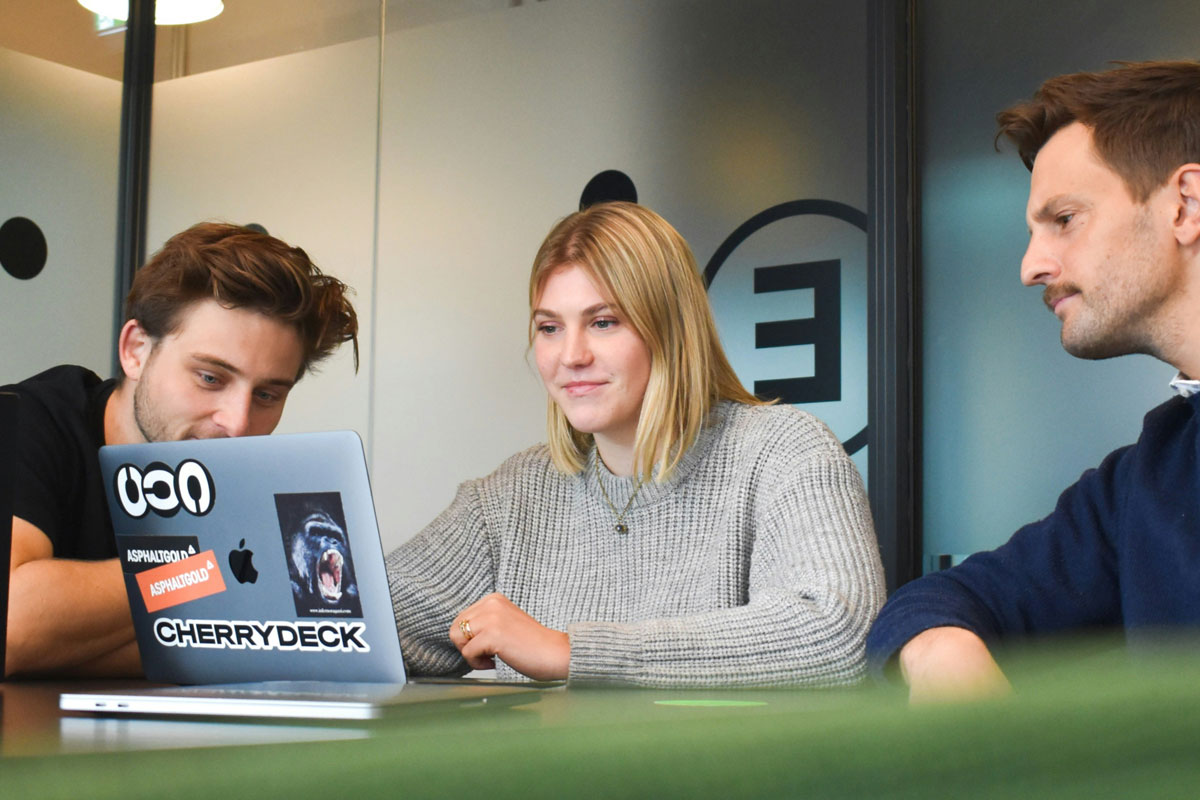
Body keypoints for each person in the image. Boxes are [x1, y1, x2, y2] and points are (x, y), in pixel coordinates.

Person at [385, 201, 884, 687]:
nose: (571, 356)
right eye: (549, 328)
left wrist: (570, 652)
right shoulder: (513, 495)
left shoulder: (785, 451)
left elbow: (834, 633)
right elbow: (362, 621)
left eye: (603, 322)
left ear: (670, 329)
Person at [866, 60, 1200, 702]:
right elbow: (944, 600)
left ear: (1185, 204)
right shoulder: (1149, 474)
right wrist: (939, 648)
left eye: (1065, 219)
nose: (1030, 267)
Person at [5, 222, 358, 678]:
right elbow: (13, 626)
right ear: (135, 350)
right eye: (210, 378)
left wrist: (73, 644)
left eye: (267, 395)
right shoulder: (28, 421)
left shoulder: (253, 479)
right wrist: (212, 569)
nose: (237, 424)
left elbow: (293, 645)